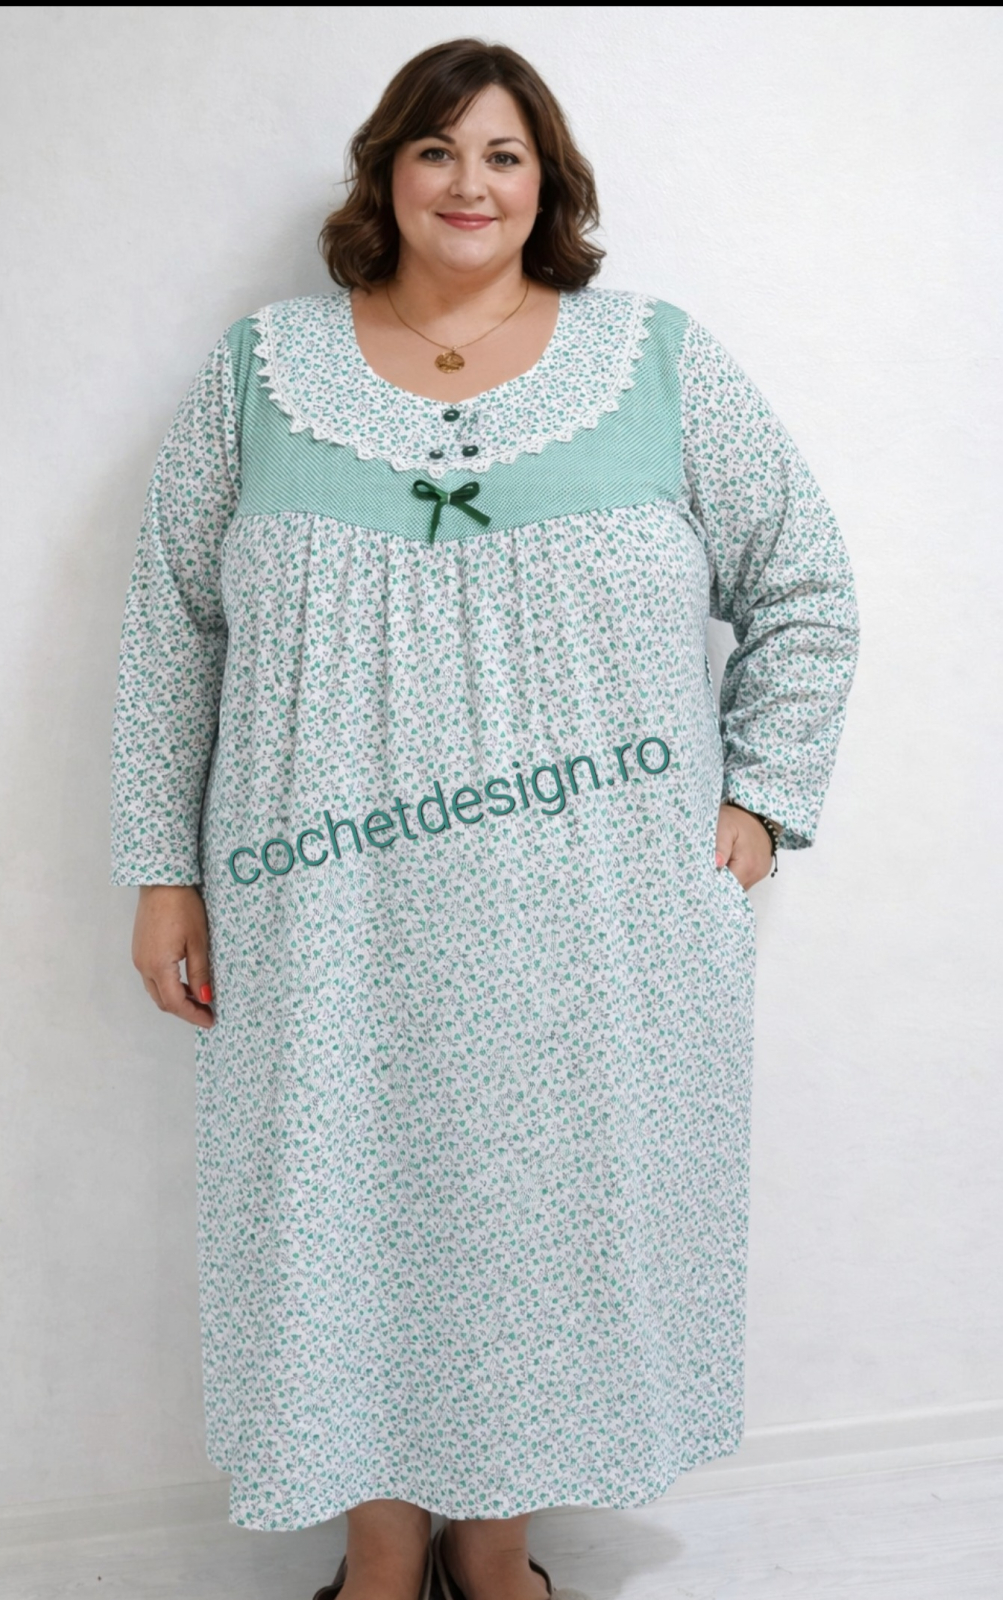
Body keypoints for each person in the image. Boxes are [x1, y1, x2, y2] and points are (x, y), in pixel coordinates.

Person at [110, 36, 858, 1600]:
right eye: (436, 149)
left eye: (503, 154)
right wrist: (163, 871)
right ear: (385, 174)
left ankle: (499, 1555)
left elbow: (802, 583)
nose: (470, 183)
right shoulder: (259, 374)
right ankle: (380, 1560)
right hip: (320, 909)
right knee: (339, 1217)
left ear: (547, 182)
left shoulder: (655, 362)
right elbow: (174, 628)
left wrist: (758, 801)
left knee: (538, 1228)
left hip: (588, 918)